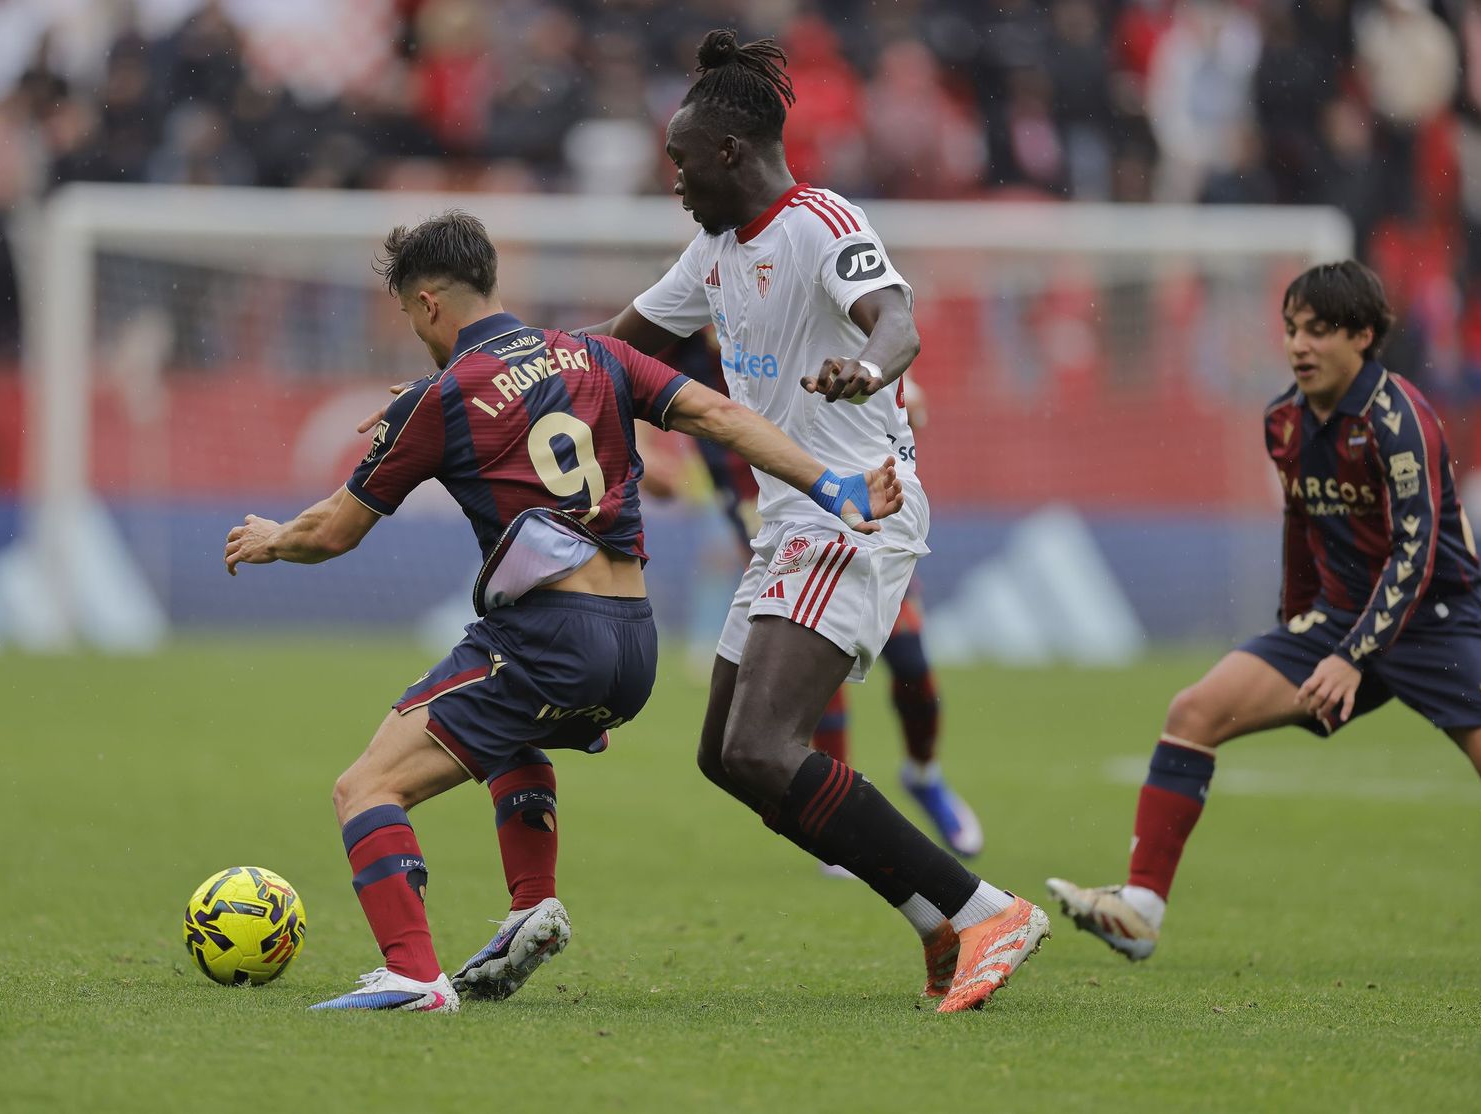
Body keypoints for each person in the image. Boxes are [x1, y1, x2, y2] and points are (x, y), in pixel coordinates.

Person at [225, 210, 903, 1013]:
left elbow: (333, 532)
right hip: (633, 650)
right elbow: (721, 416)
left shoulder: (442, 400)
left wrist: (273, 539)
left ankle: (411, 974)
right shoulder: (597, 354)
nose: (415, 334)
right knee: (506, 730)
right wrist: (836, 485)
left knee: (367, 787)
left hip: (550, 637)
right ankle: (529, 907)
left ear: (431, 304)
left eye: (411, 316)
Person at [576, 29, 1047, 1012]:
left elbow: (898, 322)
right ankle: (934, 921)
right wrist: (501, 369)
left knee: (763, 747)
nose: (672, 181)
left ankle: (984, 908)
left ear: (730, 154)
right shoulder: (711, 252)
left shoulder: (822, 222)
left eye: (680, 162)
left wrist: (868, 370)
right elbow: (612, 354)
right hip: (789, 518)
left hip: (855, 509)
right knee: (725, 756)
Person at [1047, 261, 1481, 961]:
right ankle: (1139, 911)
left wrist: (1349, 659)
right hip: (1339, 622)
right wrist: (1300, 624)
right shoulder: (1283, 420)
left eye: (1319, 331)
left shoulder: (1401, 419)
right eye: (1290, 330)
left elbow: (1418, 552)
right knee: (1193, 713)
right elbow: (1302, 527)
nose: (1299, 346)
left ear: (1363, 336)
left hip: (1435, 619)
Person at [644, 332, 983, 858]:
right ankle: (841, 806)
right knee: (813, 676)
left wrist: (898, 393)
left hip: (850, 510)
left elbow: (896, 385)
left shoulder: (792, 318)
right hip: (772, 521)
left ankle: (924, 774)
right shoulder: (686, 344)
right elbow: (616, 378)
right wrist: (645, 460)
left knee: (913, 663)